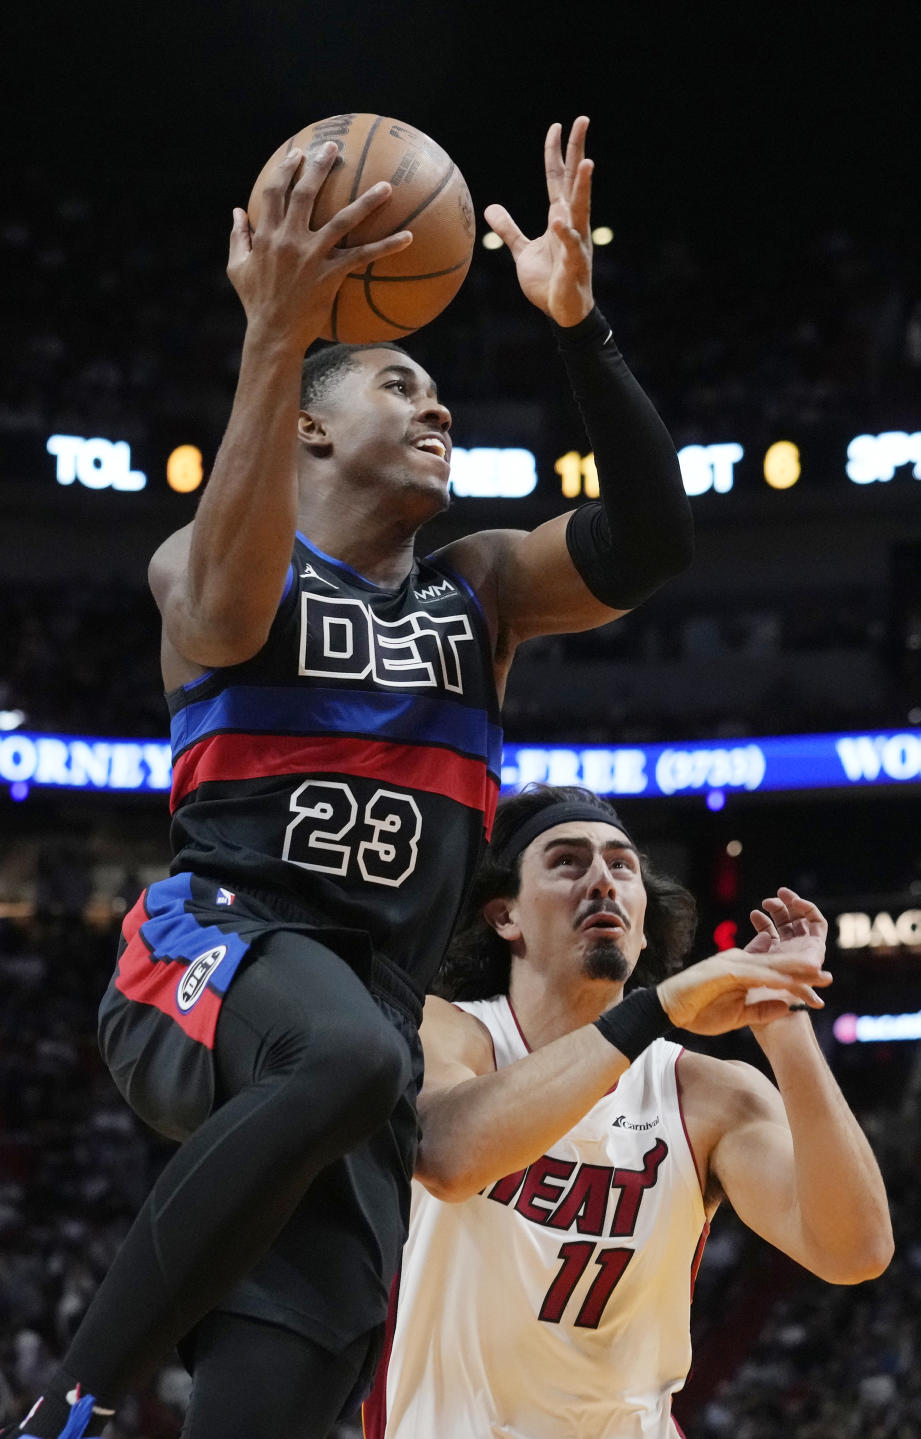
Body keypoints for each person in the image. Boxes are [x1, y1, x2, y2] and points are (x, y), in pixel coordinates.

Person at [4, 121, 695, 1439]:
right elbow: (212, 601)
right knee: (346, 1048)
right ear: (309, 428)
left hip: (365, 1041)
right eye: (399, 383)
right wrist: (275, 332)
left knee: (289, 1380)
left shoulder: (481, 588)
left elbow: (653, 539)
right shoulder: (210, 562)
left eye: (442, 392)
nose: (438, 404)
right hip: (214, 952)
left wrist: (580, 325)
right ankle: (71, 1400)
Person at [366, 784, 894, 1439]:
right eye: (567, 861)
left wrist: (783, 1023)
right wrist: (657, 1009)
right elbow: (448, 1154)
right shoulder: (446, 1033)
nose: (603, 880)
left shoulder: (707, 1094)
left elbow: (856, 1250)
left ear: (643, 926)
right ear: (505, 915)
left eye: (622, 865)